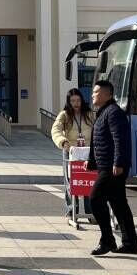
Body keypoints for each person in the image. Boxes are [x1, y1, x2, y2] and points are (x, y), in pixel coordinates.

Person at [85, 79, 137, 256]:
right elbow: (99, 141)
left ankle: (107, 240)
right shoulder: (104, 112)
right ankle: (131, 243)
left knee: (95, 199)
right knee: (119, 204)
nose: (93, 95)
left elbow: (120, 140)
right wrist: (91, 161)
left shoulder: (114, 112)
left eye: (96, 92)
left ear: (106, 94)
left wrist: (119, 162)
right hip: (106, 165)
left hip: (111, 167)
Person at [52, 87, 94, 216]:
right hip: (71, 151)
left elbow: (97, 129)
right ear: (69, 102)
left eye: (78, 100)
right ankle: (71, 210)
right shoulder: (64, 114)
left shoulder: (89, 114)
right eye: (73, 101)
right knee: (71, 181)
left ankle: (90, 212)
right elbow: (56, 129)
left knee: (89, 181)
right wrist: (62, 141)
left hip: (88, 151)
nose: (76, 103)